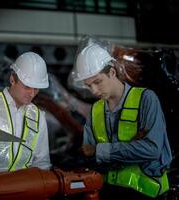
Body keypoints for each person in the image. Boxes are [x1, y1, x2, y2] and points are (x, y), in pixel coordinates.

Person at [72, 44, 172, 199]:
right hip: (110, 192)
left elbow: (152, 149)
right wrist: (132, 148)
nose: (94, 91)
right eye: (88, 85)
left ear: (112, 72)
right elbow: (88, 154)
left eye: (98, 82)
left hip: (147, 193)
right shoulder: (95, 110)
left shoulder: (146, 99)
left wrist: (101, 151)